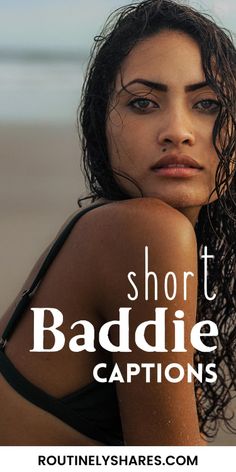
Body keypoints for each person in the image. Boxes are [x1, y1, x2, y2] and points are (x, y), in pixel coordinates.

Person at [0, 0, 236, 446]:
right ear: (100, 125)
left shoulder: (106, 233)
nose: (178, 130)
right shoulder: (145, 233)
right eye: (144, 103)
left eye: (207, 103)